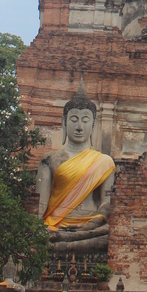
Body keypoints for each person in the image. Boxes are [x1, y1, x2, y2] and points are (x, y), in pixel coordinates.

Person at [36, 80, 115, 252]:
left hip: (90, 228)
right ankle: (64, 239)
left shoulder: (104, 162)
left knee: (111, 236)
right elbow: (41, 204)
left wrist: (88, 226)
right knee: (39, 236)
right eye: (74, 119)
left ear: (93, 125)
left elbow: (106, 203)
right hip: (55, 225)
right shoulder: (49, 159)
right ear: (64, 123)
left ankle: (68, 239)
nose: (79, 127)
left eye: (85, 120)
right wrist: (34, 228)